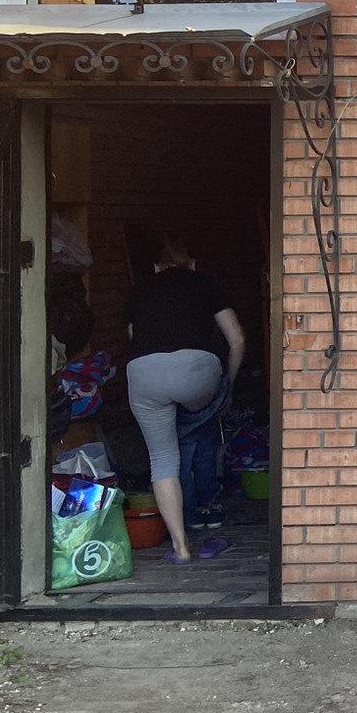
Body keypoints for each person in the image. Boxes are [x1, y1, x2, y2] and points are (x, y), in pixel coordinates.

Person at [124, 236, 245, 564]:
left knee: (163, 459)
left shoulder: (139, 289)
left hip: (144, 373)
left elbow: (134, 337)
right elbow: (236, 339)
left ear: (156, 267)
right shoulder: (205, 282)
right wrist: (227, 387)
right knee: (200, 426)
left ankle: (181, 547)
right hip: (196, 373)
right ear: (192, 264)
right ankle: (208, 506)